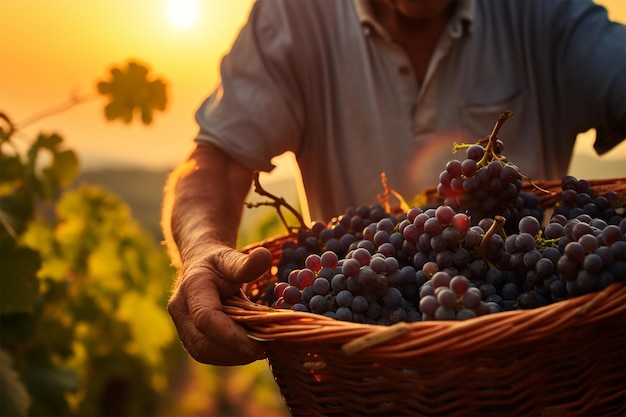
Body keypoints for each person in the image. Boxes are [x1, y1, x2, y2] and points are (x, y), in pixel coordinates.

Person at [162, 0, 626, 366]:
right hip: (355, 367)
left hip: (540, 360)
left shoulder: (544, 12)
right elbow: (218, 160)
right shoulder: (295, 15)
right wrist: (202, 248)